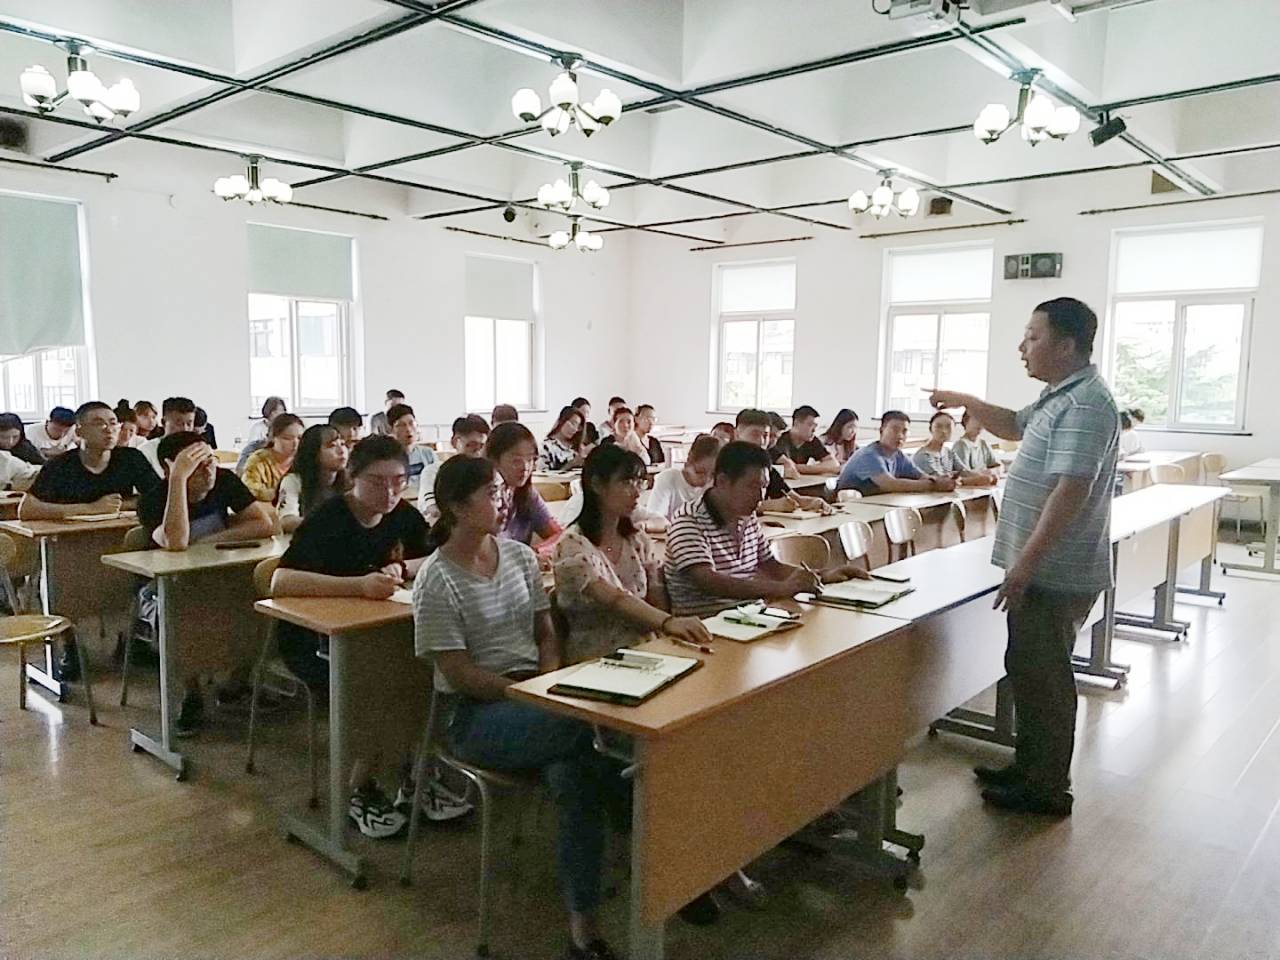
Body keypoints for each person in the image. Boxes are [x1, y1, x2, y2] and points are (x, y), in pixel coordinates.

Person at [415, 453, 626, 960]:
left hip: (538, 700)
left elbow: (545, 633)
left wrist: (546, 681)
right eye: (491, 493)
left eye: (502, 491)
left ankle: (583, 921)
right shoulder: (436, 580)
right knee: (599, 733)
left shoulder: (519, 557)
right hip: (474, 715)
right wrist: (526, 694)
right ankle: (648, 845)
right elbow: (459, 673)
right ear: (455, 507)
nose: (504, 499)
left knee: (576, 772)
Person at [928, 297, 1119, 817]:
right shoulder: (1061, 395)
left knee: (1046, 677)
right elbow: (1013, 424)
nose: (1022, 347)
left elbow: (1069, 492)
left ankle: (1046, 788)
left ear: (1067, 345)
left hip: (1053, 571)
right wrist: (967, 400)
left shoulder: (1085, 405)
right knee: (1028, 668)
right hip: (1043, 567)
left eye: (1033, 337)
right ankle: (1030, 768)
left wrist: (1026, 564)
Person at [272, 435, 459, 837]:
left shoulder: (402, 514)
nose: (389, 492)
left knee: (430, 676)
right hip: (315, 641)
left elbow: (438, 554)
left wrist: (403, 569)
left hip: (379, 633)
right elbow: (280, 580)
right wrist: (357, 586)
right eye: (377, 482)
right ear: (352, 477)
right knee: (388, 687)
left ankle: (415, 777)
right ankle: (359, 788)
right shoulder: (329, 518)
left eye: (398, 481)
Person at [138, 431, 275, 735]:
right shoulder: (153, 498)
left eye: (210, 461)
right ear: (169, 467)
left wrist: (210, 541)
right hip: (165, 588)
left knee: (254, 603)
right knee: (181, 616)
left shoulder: (224, 481)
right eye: (195, 465)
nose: (208, 471)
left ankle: (237, 683)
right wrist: (177, 480)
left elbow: (263, 524)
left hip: (216, 577)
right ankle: (191, 692)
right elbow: (176, 542)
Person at [21, 401, 161, 680]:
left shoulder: (130, 458)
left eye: (113, 423)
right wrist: (87, 509)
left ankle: (129, 638)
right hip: (71, 546)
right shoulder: (62, 465)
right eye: (98, 423)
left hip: (119, 542)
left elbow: (158, 497)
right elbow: (27, 508)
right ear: (79, 430)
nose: (109, 429)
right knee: (67, 587)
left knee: (131, 578)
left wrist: (121, 505)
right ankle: (70, 646)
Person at [664, 441, 870, 617]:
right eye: (752, 486)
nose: (760, 496)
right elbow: (710, 582)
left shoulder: (746, 515)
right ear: (723, 481)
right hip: (705, 626)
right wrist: (781, 589)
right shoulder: (689, 520)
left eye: (764, 486)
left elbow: (770, 565)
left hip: (748, 616)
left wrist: (822, 576)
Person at [554, 444, 711, 664]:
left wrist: (667, 637)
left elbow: (656, 594)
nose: (637, 492)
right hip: (598, 658)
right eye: (627, 482)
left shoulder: (636, 539)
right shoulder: (572, 546)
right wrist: (667, 622)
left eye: (639, 482)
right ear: (597, 485)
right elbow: (615, 599)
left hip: (646, 650)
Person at [835, 411, 957, 497]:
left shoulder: (898, 455)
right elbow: (890, 484)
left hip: (876, 506)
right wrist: (933, 485)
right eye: (894, 430)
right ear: (881, 430)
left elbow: (920, 476)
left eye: (904, 431)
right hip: (849, 510)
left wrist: (940, 480)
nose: (900, 435)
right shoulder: (868, 455)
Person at [734, 408, 829, 514]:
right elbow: (730, 505)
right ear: (737, 434)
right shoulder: (727, 464)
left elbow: (796, 498)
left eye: (765, 435)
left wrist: (815, 502)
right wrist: (771, 505)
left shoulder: (766, 467)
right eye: (755, 434)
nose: (761, 441)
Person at [487, 421, 563, 551]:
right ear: (494, 460)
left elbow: (559, 535)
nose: (525, 467)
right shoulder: (484, 500)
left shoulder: (527, 494)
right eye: (516, 461)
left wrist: (534, 551)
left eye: (530, 459)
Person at [278, 424, 349, 534]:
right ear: (313, 452)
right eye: (332, 446)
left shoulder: (351, 481)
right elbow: (286, 521)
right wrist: (328, 524)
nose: (341, 451)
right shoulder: (294, 481)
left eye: (343, 444)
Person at [419, 415, 489, 523]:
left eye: (482, 447)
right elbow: (432, 509)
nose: (478, 453)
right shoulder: (433, 471)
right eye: (472, 445)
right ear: (455, 442)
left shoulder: (486, 474)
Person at [647, 434, 721, 522]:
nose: (706, 479)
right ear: (689, 461)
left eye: (712, 475)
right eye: (700, 472)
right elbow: (654, 517)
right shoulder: (669, 478)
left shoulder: (714, 486)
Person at [912, 411, 997, 486]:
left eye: (948, 427)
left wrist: (986, 475)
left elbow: (964, 471)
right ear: (931, 429)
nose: (944, 431)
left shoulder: (948, 452)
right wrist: (976, 480)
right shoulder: (923, 456)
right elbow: (941, 481)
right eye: (938, 426)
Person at [242, 413, 304, 502]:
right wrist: (282, 494)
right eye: (287, 438)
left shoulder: (305, 460)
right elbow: (250, 490)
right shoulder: (258, 460)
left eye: (300, 438)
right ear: (273, 438)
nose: (295, 443)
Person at [771, 405, 840, 476]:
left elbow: (834, 465)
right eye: (810, 425)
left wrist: (800, 468)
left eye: (815, 426)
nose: (814, 430)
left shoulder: (812, 440)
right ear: (796, 423)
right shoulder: (778, 439)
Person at [140, 397, 197, 475]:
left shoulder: (198, 449)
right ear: (163, 422)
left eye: (189, 424)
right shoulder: (146, 451)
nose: (185, 429)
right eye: (179, 423)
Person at [386, 402, 435, 481]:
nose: (408, 429)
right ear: (391, 429)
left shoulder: (428, 454)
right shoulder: (387, 458)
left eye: (411, 423)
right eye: (401, 425)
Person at [950, 410, 1003, 478]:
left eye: (982, 421)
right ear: (966, 421)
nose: (980, 424)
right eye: (976, 419)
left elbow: (999, 466)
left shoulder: (983, 443)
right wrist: (988, 472)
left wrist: (991, 471)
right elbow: (965, 474)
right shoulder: (961, 445)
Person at [541, 406, 586, 472]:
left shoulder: (576, 447)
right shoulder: (546, 446)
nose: (575, 429)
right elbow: (543, 475)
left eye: (578, 427)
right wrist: (571, 464)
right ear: (562, 420)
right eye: (573, 423)